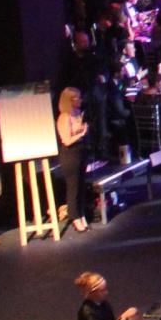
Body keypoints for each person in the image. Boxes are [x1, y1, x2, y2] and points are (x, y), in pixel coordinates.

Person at [56, 87, 92, 233]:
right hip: (70, 155)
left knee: (82, 185)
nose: (80, 100)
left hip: (81, 151)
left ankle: (81, 213)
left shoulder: (77, 113)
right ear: (69, 100)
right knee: (73, 187)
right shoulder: (64, 117)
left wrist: (83, 130)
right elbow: (66, 140)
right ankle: (75, 217)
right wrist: (81, 133)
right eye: (77, 98)